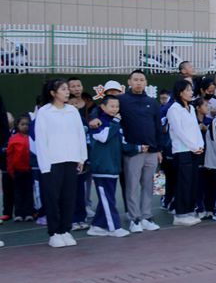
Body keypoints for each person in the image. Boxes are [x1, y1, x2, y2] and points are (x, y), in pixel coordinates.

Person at [35, 79, 89, 248]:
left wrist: (81, 158)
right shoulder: (44, 112)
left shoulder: (72, 111)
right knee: (53, 198)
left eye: (67, 89)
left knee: (69, 197)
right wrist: (45, 165)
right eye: (63, 89)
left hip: (71, 160)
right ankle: (54, 233)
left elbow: (80, 135)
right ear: (53, 93)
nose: (67, 92)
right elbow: (41, 140)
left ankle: (65, 230)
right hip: (52, 162)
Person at [110, 70, 161, 233]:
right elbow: (105, 112)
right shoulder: (121, 100)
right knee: (132, 187)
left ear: (146, 83)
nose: (139, 82)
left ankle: (147, 216)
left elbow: (158, 127)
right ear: (129, 82)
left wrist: (158, 149)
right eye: (136, 79)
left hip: (152, 151)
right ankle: (134, 219)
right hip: (133, 152)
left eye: (142, 80)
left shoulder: (152, 102)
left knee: (149, 185)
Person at [85, 96, 136, 237]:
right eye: (112, 106)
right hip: (102, 168)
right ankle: (114, 227)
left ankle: (96, 226)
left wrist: (137, 148)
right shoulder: (98, 122)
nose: (115, 109)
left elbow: (122, 143)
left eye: (117, 107)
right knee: (108, 199)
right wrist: (115, 122)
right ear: (102, 107)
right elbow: (103, 137)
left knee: (107, 198)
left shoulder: (115, 122)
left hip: (113, 167)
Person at [166, 80, 203, 226]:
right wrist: (194, 146)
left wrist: (200, 145)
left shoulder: (191, 108)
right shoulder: (174, 109)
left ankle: (189, 211)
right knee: (183, 183)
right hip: (182, 151)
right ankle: (180, 214)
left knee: (192, 182)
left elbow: (195, 128)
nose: (191, 92)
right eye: (188, 90)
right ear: (180, 92)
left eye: (191, 90)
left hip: (194, 151)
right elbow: (179, 132)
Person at [7, 116, 34, 222]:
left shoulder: (32, 138)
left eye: (27, 124)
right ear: (17, 126)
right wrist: (10, 169)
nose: (25, 126)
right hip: (17, 170)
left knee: (29, 192)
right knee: (18, 192)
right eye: (22, 124)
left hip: (29, 169)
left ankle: (29, 213)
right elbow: (10, 155)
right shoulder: (13, 139)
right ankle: (18, 213)